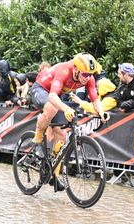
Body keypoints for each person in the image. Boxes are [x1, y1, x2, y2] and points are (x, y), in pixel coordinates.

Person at [29, 53, 106, 191]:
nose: (87, 78)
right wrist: (65, 109)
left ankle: (53, 173)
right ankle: (37, 139)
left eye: (90, 74)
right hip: (41, 89)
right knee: (52, 107)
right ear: (75, 69)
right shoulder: (64, 71)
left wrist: (101, 113)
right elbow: (52, 96)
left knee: (62, 135)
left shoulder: (88, 77)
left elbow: (95, 99)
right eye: (85, 74)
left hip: (55, 95)